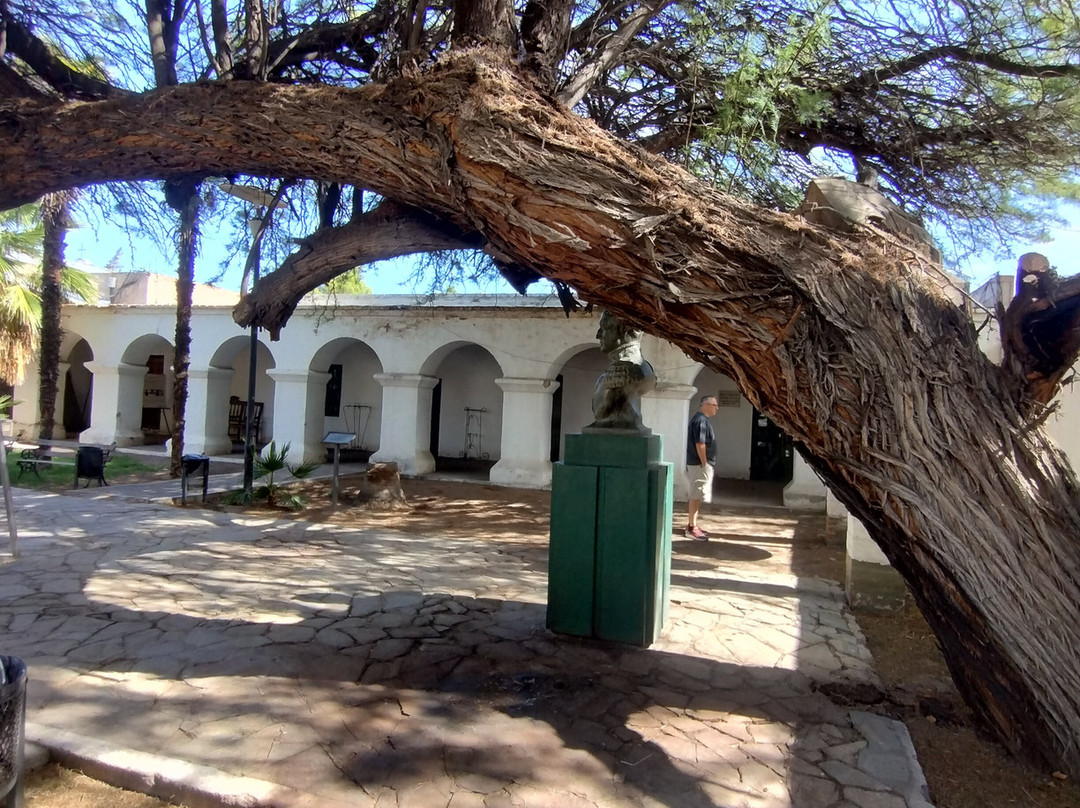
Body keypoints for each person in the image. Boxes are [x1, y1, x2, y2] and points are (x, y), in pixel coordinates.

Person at [685, 394, 719, 539]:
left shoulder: (702, 420)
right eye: (714, 405)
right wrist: (704, 463)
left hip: (699, 463)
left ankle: (693, 524)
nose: (717, 408)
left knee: (697, 495)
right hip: (699, 464)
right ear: (706, 405)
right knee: (696, 494)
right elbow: (700, 444)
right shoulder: (701, 421)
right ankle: (691, 527)